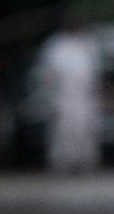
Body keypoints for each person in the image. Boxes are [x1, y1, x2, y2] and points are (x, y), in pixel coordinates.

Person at [35, 24, 101, 172]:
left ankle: (83, 162)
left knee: (85, 129)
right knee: (63, 131)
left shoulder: (86, 45)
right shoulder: (56, 46)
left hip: (83, 98)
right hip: (63, 97)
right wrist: (49, 97)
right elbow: (48, 75)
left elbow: (93, 75)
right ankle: (62, 163)